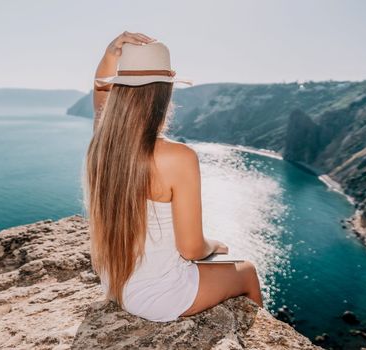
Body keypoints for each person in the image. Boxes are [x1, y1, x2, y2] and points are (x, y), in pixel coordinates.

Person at [82, 31, 263, 323]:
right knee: (248, 270)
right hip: (160, 296)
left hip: (116, 286)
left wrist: (110, 55)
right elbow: (191, 249)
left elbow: (100, 96)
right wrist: (214, 245)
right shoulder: (177, 157)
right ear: (165, 92)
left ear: (120, 89)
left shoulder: (103, 144)